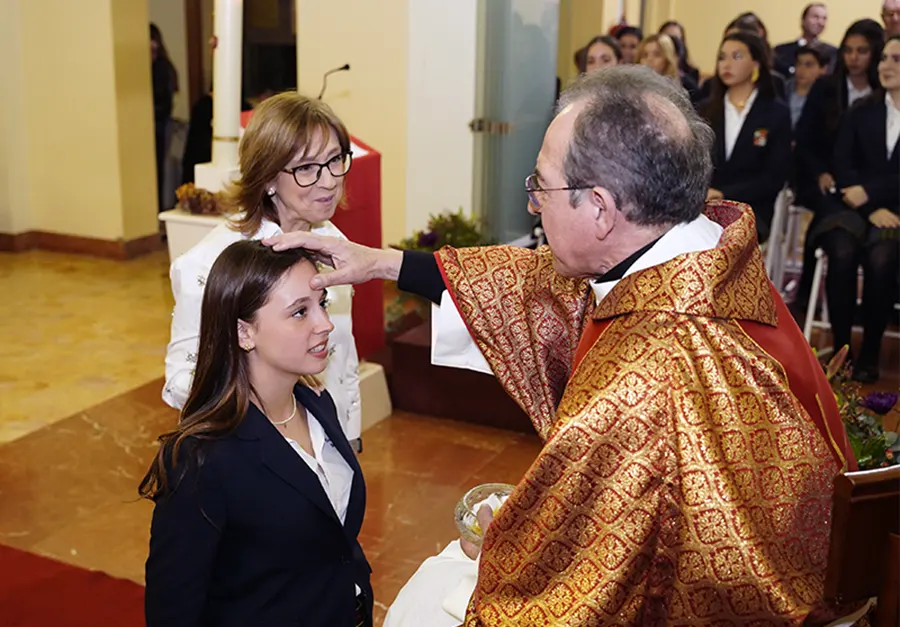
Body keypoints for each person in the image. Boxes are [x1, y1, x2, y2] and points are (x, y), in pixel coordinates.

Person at [267, 66, 856, 625]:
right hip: (815, 564)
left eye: (540, 185)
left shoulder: (647, 378)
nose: (531, 204)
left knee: (426, 598)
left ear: (600, 208)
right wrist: (381, 263)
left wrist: (501, 552)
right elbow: (530, 283)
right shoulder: (702, 251)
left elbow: (574, 584)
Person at [142, 241, 372, 627]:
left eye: (322, 304)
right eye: (300, 312)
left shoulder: (318, 405)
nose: (325, 323)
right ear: (244, 332)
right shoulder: (200, 458)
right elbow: (172, 610)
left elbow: (333, 534)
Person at [163, 92, 363, 451]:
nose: (331, 180)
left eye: (335, 160)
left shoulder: (331, 240)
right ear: (268, 176)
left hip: (329, 436)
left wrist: (349, 434)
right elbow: (184, 383)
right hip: (258, 449)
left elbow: (342, 354)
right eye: (306, 168)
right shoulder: (211, 263)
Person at [810, 34, 900, 382]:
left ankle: (871, 353)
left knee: (882, 256)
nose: (886, 66)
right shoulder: (862, 110)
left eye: (896, 59)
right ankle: (843, 351)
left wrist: (872, 194)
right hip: (850, 206)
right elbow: (842, 163)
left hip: (893, 211)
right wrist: (864, 203)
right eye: (885, 59)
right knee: (842, 251)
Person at [792, 19, 886, 312]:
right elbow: (804, 141)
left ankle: (871, 300)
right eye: (848, 50)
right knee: (827, 206)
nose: (853, 58)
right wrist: (821, 172)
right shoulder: (825, 87)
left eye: (862, 51)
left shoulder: (884, 90)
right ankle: (806, 295)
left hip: (866, 184)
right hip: (821, 177)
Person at [700, 32, 792, 243]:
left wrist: (724, 193)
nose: (727, 64)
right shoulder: (706, 109)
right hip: (703, 206)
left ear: (756, 63)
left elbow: (774, 176)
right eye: (722, 57)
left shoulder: (775, 113)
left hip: (751, 208)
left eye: (737, 56)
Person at [151, 23, 178, 214]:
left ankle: (157, 210)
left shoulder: (161, 67)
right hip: (154, 124)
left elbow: (164, 103)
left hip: (158, 126)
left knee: (157, 171)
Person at [773, 3, 838, 76]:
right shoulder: (781, 51)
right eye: (815, 17)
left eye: (824, 18)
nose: (820, 22)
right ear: (803, 20)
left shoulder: (833, 53)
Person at [787, 43, 831, 128]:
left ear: (823, 69)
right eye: (798, 64)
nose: (801, 70)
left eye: (809, 65)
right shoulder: (782, 90)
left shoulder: (828, 97)